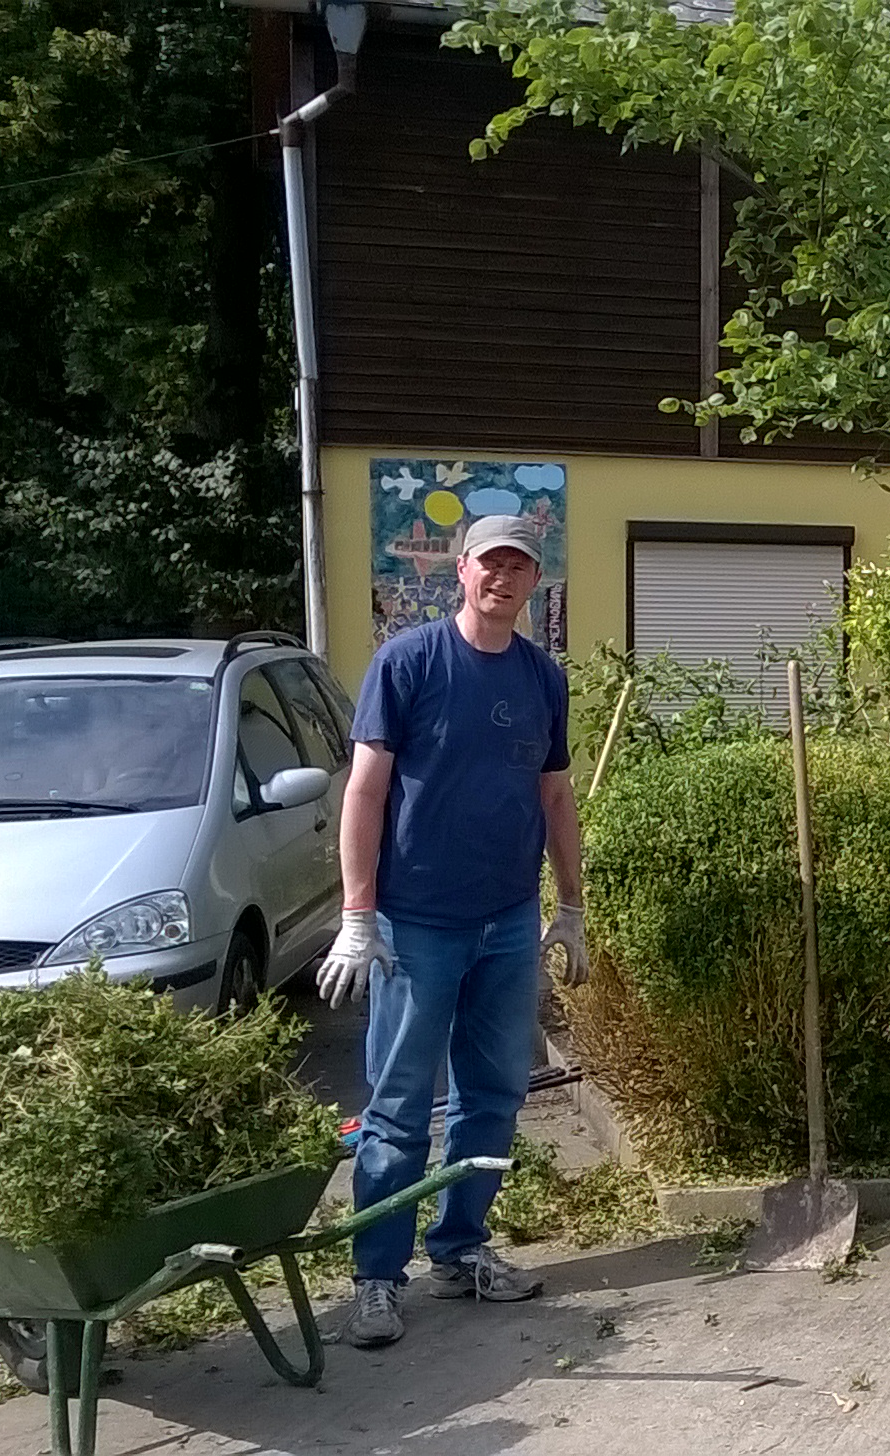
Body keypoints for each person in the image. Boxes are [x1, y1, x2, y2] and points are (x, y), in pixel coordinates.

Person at [317, 514, 591, 1351]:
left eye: (520, 568)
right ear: (461, 572)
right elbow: (365, 793)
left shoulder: (542, 677)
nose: (503, 579)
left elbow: (554, 795)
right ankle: (376, 1279)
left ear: (534, 583)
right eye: (490, 565)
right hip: (417, 925)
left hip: (507, 923)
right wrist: (357, 915)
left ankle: (461, 1249)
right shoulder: (408, 664)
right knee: (399, 1106)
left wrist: (571, 907)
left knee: (495, 1096)